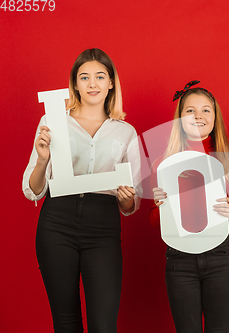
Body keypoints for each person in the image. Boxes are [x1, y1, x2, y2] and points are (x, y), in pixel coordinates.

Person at [22, 48, 141, 332]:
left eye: (100, 77)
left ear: (111, 82)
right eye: (84, 77)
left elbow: (130, 204)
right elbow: (33, 190)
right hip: (56, 223)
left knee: (103, 325)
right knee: (66, 323)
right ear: (75, 84)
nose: (92, 84)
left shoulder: (126, 132)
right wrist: (42, 160)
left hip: (102, 227)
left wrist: (127, 199)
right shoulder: (52, 122)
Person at [149, 81, 229, 333]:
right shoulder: (164, 163)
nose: (198, 116)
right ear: (180, 118)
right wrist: (161, 205)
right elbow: (153, 221)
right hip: (180, 259)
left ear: (215, 117)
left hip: (220, 257)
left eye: (206, 110)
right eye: (190, 110)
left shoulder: (228, 158)